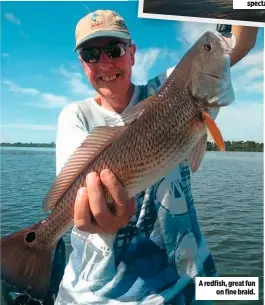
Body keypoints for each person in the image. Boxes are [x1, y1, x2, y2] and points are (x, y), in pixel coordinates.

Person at [55, 10, 258, 305]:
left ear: (132, 53)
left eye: (114, 50)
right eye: (91, 54)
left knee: (244, 292)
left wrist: (246, 5)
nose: (105, 63)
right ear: (82, 63)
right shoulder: (75, 116)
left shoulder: (168, 87)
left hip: (188, 279)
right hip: (101, 293)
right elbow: (79, 207)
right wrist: (103, 217)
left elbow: (240, 44)